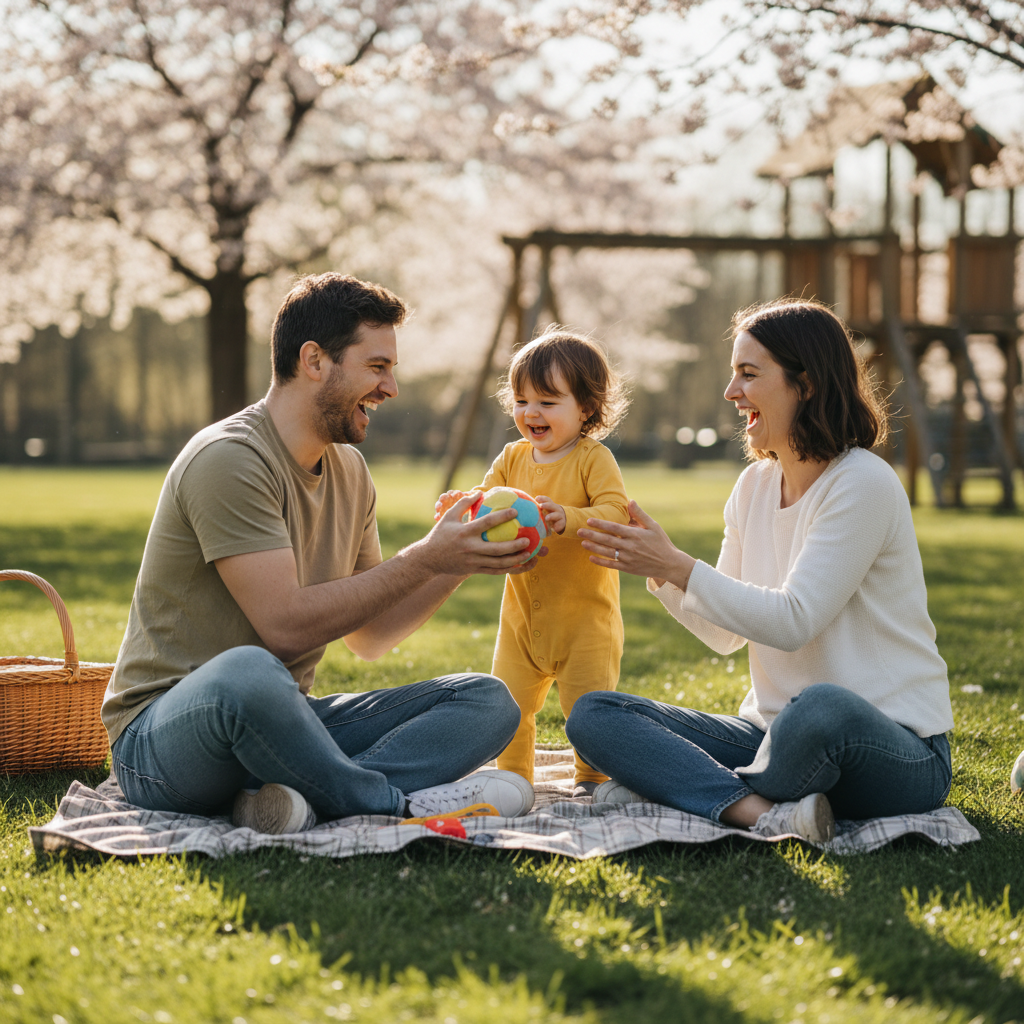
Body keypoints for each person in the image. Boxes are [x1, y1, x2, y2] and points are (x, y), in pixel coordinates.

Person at [101, 272, 540, 835]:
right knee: (247, 672)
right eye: (377, 367)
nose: (391, 388)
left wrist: (454, 564)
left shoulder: (349, 471)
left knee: (487, 701)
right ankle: (392, 804)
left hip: (285, 721)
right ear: (314, 360)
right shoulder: (229, 459)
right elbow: (283, 628)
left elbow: (371, 636)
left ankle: (299, 795)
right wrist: (426, 557)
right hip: (164, 742)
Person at [567, 299, 955, 843]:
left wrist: (679, 564)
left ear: (808, 383)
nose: (732, 392)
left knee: (820, 708)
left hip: (893, 748)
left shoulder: (862, 482)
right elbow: (725, 636)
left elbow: (794, 621)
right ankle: (754, 808)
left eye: (749, 374)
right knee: (595, 715)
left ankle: (686, 787)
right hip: (770, 736)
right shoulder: (752, 488)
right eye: (733, 375)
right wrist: (661, 572)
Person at [435, 331, 630, 795]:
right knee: (509, 706)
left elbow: (616, 511)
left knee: (589, 710)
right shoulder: (511, 457)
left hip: (586, 623)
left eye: (547, 401)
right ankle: (514, 779)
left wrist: (571, 516)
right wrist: (461, 506)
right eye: (522, 400)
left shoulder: (593, 460)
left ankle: (591, 778)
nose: (531, 413)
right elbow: (485, 503)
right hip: (521, 619)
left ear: (585, 408)